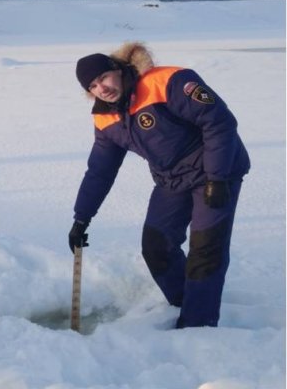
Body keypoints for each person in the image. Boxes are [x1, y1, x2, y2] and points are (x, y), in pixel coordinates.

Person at [69, 42, 250, 328]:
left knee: (205, 249)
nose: (101, 88)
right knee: (156, 246)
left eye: (103, 77)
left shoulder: (167, 82)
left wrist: (217, 177)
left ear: (116, 70)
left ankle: (197, 326)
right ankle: (185, 302)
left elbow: (219, 122)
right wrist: (81, 218)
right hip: (171, 179)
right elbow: (100, 171)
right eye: (92, 86)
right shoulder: (106, 117)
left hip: (217, 170)